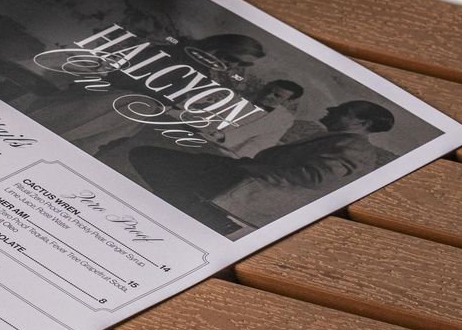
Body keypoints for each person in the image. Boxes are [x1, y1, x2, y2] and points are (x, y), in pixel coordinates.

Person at [123, 100, 397, 235]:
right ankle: (195, 214)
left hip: (245, 188)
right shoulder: (343, 140)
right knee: (158, 159)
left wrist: (249, 169)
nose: (329, 110)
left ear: (362, 123)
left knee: (149, 155)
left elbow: (312, 177)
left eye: (341, 109)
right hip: (245, 181)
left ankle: (199, 215)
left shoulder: (355, 147)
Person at [218, 79, 303, 158]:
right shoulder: (237, 96)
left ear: (288, 101)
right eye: (268, 90)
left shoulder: (283, 118)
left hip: (229, 153)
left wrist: (233, 156)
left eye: (277, 95)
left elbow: (259, 144)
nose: (268, 95)